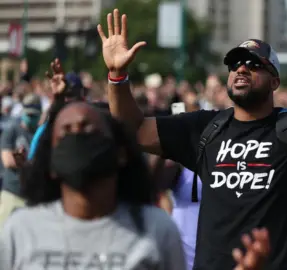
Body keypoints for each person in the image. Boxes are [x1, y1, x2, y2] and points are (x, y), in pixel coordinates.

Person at [98, 5, 287, 269]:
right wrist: (117, 76)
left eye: (254, 65)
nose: (241, 69)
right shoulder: (205, 128)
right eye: (235, 64)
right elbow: (131, 130)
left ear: (275, 80)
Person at [0, 102, 186, 270]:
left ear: (120, 153)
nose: (77, 138)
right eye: (66, 132)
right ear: (51, 162)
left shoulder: (156, 229)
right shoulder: (22, 229)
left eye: (88, 130)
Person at [28, 59, 88, 160]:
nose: (70, 100)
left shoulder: (92, 125)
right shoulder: (46, 129)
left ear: (82, 95)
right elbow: (33, 161)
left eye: (73, 94)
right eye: (66, 95)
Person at [0, 93, 42, 229]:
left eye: (34, 116)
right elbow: (7, 161)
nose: (31, 118)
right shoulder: (12, 130)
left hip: (32, 198)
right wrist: (30, 163)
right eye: (28, 115)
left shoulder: (41, 134)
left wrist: (24, 163)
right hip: (11, 193)